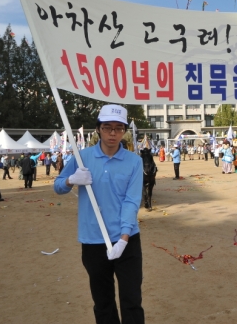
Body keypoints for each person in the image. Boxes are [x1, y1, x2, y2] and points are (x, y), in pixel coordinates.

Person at [54, 104, 144, 324]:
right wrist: (70, 180)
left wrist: (124, 237)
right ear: (98, 129)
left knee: (131, 299)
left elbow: (132, 201)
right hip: (93, 240)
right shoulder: (81, 157)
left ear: (124, 130)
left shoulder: (134, 161)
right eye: (107, 127)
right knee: (103, 301)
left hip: (127, 241)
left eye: (118, 128)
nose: (113, 133)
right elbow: (58, 187)